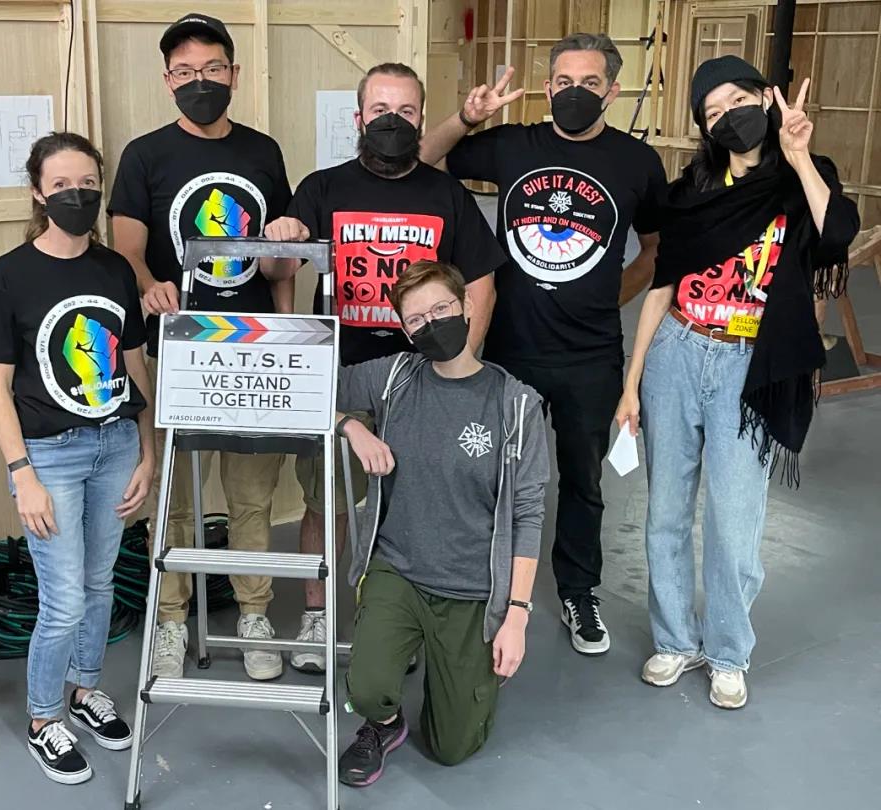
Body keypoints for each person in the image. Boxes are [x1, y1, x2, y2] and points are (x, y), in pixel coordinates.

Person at [616, 56, 859, 709]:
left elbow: (838, 233)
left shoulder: (802, 178)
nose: (728, 117)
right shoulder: (691, 189)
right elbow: (662, 285)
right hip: (677, 350)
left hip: (749, 365)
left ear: (765, 100)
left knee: (734, 517)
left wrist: (799, 156)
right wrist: (632, 381)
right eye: (713, 111)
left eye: (738, 101)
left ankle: (727, 653)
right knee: (666, 510)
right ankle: (675, 640)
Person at [421, 33, 667, 656]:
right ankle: (485, 585)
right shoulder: (513, 144)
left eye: (589, 83)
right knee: (496, 475)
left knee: (583, 481)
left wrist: (612, 296)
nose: (573, 93)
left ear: (613, 91)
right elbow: (424, 157)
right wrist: (467, 117)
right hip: (513, 348)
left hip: (591, 355)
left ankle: (579, 592)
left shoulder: (637, 163)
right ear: (548, 85)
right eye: (563, 82)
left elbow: (655, 249)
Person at [265, 62, 504, 673]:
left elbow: (481, 282)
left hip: (420, 378)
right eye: (379, 110)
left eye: (404, 111)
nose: (391, 121)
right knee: (327, 501)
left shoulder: (446, 195)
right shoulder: (323, 189)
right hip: (343, 375)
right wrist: (282, 237)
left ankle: (397, 625)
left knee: (415, 507)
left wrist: (462, 362)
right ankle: (318, 613)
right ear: (359, 117)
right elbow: (278, 272)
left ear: (420, 119)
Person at [108, 12, 297, 682]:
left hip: (253, 353)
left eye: (212, 69)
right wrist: (149, 284)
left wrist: (285, 330)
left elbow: (280, 259)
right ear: (167, 81)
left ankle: (253, 614)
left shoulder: (263, 152)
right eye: (185, 72)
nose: (200, 82)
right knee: (176, 497)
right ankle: (170, 620)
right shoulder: (144, 156)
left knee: (252, 495)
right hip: (179, 352)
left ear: (234, 74)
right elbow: (127, 250)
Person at [0, 132, 155, 783]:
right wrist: (21, 474)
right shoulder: (9, 275)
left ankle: (85, 689)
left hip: (116, 444)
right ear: (37, 193)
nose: (75, 195)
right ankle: (43, 717)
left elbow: (133, 361)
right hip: (49, 456)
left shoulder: (114, 270)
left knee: (99, 583)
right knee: (63, 599)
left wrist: (147, 449)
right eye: (61, 185)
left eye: (86, 184)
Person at [331, 260, 547, 784]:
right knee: (365, 688)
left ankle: (463, 677)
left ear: (466, 305)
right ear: (406, 330)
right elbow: (310, 388)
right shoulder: (393, 377)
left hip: (472, 586)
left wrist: (516, 617)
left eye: (441, 309)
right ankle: (384, 724)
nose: (431, 324)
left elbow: (528, 514)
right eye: (416, 319)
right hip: (399, 568)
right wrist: (351, 427)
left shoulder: (516, 404)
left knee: (453, 747)